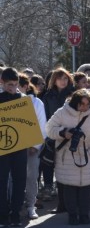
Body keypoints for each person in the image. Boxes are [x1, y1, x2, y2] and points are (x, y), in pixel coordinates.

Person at [46, 89, 90, 225]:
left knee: (85, 186)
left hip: (85, 154)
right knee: (69, 186)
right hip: (66, 155)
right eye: (82, 104)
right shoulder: (62, 112)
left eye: (87, 104)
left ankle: (84, 214)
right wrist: (63, 132)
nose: (85, 107)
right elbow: (49, 129)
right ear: (75, 102)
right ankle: (72, 214)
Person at [41, 68, 75, 208]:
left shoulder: (73, 95)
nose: (63, 81)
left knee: (65, 164)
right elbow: (45, 115)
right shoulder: (48, 96)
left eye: (66, 78)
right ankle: (48, 186)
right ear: (54, 80)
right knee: (48, 161)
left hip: (69, 134)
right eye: (60, 78)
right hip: (52, 133)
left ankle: (66, 191)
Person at [0, 68, 29, 227]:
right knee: (1, 180)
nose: (13, 88)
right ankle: (2, 214)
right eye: (9, 85)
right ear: (2, 83)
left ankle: (16, 212)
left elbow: (28, 124)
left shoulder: (22, 99)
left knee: (20, 179)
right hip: (2, 146)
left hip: (20, 145)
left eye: (15, 85)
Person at [18, 74, 47, 220]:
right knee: (13, 178)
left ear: (25, 86)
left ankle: (30, 206)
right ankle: (14, 207)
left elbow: (42, 126)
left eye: (19, 86)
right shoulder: (6, 100)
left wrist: (35, 145)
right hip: (12, 148)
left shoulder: (37, 103)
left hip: (31, 149)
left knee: (31, 176)